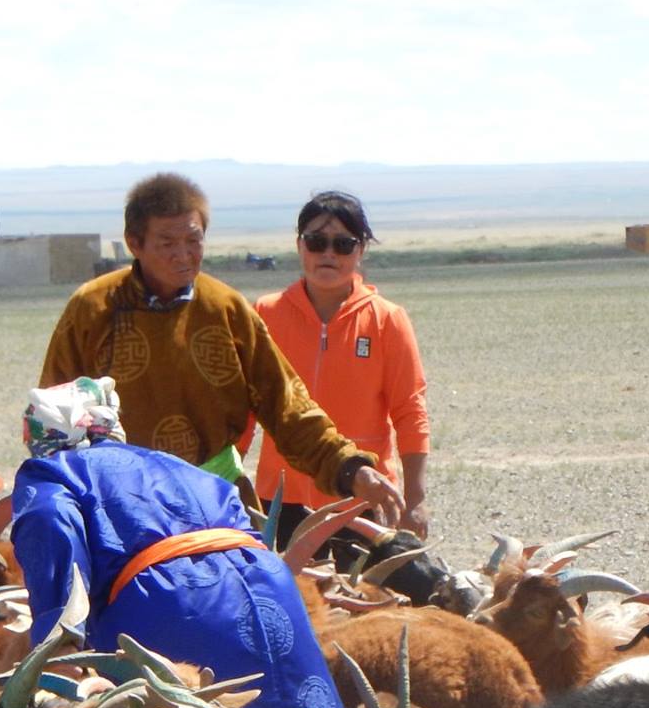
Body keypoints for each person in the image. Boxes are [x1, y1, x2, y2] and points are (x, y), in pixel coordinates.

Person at [11, 378, 360, 708]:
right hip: (266, 584)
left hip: (172, 598)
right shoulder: (168, 463)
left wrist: (57, 642)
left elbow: (49, 522)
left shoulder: (51, 472)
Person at [38, 173, 416, 533]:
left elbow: (288, 409)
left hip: (215, 502)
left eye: (194, 241)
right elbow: (55, 417)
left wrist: (352, 469)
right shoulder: (93, 309)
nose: (184, 255)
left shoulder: (226, 310)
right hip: (117, 508)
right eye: (167, 243)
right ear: (135, 243)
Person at [247, 192, 429, 536]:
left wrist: (415, 499)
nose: (328, 254)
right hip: (281, 500)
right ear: (300, 245)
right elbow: (242, 411)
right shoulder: (266, 314)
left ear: (360, 251)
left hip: (364, 498)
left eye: (343, 244)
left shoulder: (387, 319)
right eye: (317, 242)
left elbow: (409, 411)